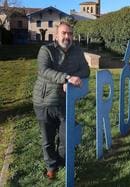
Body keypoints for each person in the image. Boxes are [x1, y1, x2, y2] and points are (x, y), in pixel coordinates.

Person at [32, 21, 90, 179]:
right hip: (45, 101)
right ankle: (51, 166)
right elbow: (44, 70)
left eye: (70, 33)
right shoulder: (46, 50)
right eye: (64, 33)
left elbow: (86, 69)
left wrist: (73, 78)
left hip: (66, 101)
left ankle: (64, 162)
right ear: (56, 35)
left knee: (67, 135)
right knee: (48, 139)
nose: (67, 36)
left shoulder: (77, 51)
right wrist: (66, 78)